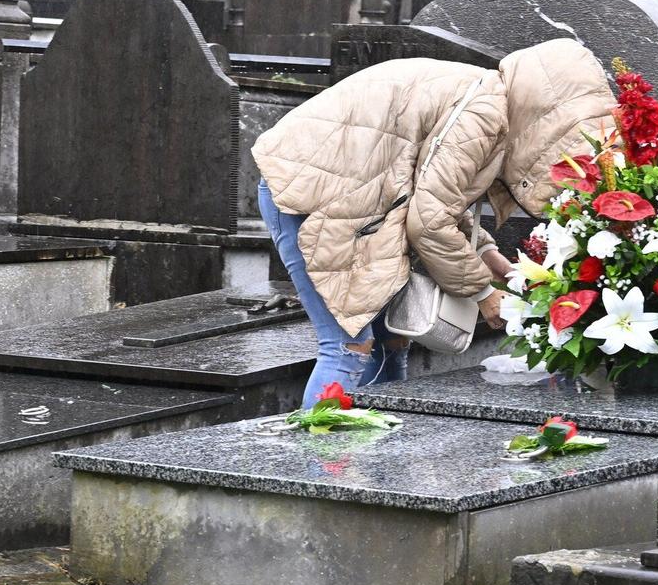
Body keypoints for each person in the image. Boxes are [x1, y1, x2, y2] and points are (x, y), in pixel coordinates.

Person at [252, 38, 616, 405]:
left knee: (393, 341)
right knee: (348, 345)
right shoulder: (484, 115)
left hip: (351, 200)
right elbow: (428, 223)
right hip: (307, 196)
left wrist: (492, 259)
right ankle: (317, 443)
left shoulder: (487, 99)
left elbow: (440, 199)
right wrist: (483, 294)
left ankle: (384, 440)